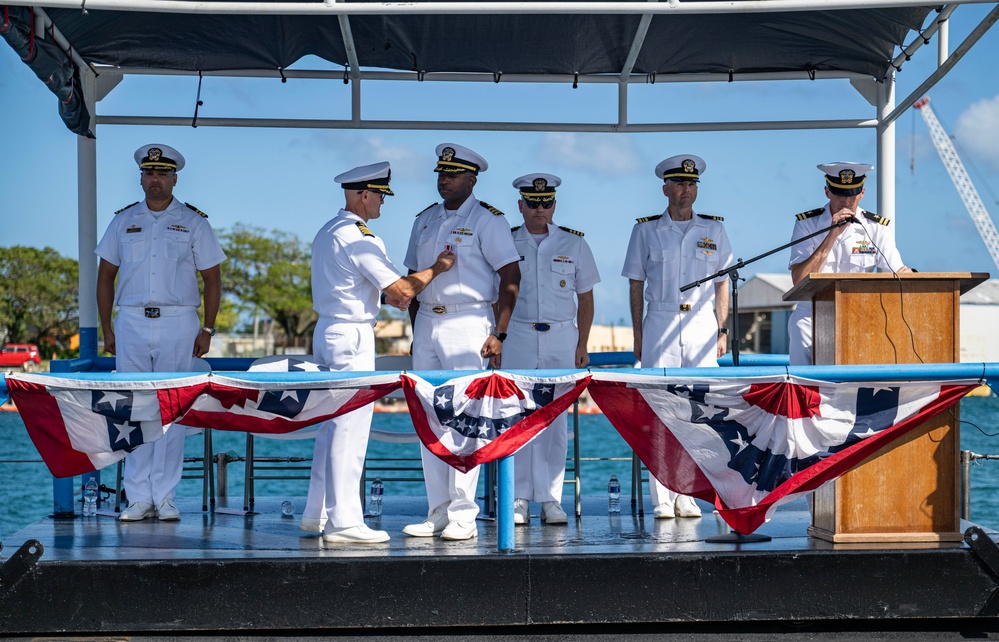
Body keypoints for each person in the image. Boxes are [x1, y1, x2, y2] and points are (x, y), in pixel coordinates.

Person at [308, 161, 455, 544]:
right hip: (352, 335)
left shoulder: (328, 231)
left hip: (327, 330)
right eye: (380, 197)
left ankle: (318, 513)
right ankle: (345, 522)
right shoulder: (359, 237)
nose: (382, 205)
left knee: (330, 426)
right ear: (364, 195)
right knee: (349, 429)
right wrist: (437, 269)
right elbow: (401, 293)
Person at [96, 144, 226, 522]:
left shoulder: (194, 221)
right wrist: (107, 328)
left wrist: (207, 328)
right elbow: (106, 276)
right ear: (141, 178)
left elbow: (213, 279)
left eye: (162, 173)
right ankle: (137, 497)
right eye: (149, 173)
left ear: (174, 178)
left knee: (173, 409)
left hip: (179, 321)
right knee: (135, 409)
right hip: (132, 321)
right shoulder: (122, 221)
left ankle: (165, 496)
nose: (155, 179)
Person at [402, 143, 521, 541]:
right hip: (427, 326)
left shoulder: (489, 221)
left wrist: (498, 332)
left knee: (464, 420)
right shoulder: (424, 220)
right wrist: (415, 331)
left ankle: (464, 516)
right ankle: (436, 510)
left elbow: (510, 279)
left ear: (472, 180)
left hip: (469, 323)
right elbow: (412, 278)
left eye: (452, 174)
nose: (444, 179)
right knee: (429, 419)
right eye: (441, 173)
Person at [622, 154, 733, 519]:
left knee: (698, 412)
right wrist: (638, 334)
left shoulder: (714, 231)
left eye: (692, 183)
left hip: (702, 324)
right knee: (660, 410)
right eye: (680, 184)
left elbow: (722, 286)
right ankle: (662, 497)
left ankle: (689, 491)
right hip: (661, 321)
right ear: (665, 189)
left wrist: (722, 330)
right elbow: (636, 286)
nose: (687, 189)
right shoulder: (646, 231)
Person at [504, 173, 600, 526]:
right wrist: (496, 339)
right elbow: (494, 295)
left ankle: (550, 499)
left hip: (562, 337)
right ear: (521, 206)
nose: (539, 209)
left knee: (556, 421)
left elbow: (586, 297)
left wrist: (583, 344)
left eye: (546, 203)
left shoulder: (574, 245)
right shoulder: (506, 242)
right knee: (517, 417)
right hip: (517, 335)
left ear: (554, 205)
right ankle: (517, 497)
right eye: (532, 203)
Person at [787, 162, 911, 365]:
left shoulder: (876, 228)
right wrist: (831, 235)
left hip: (858, 316)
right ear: (827, 192)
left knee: (851, 385)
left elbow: (898, 272)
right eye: (839, 194)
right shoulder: (807, 224)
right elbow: (799, 280)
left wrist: (910, 275)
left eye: (851, 194)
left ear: (862, 192)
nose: (845, 201)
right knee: (805, 385)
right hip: (811, 316)